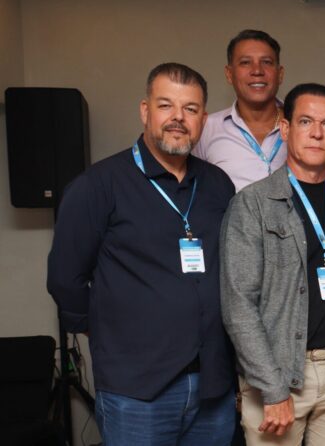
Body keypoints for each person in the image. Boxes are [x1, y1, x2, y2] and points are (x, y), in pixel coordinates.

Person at [47, 63, 236, 444]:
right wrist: (110, 332)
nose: (178, 118)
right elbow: (66, 278)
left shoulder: (218, 185)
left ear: (203, 119)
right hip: (137, 389)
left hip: (213, 383)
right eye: (166, 105)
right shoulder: (98, 186)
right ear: (145, 111)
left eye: (191, 108)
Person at [219, 83, 325, 445]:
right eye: (306, 122)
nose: (317, 133)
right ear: (286, 128)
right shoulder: (252, 204)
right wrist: (272, 388)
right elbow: (238, 305)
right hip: (278, 374)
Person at [195, 29, 286, 191]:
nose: (257, 71)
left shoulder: (306, 126)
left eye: (266, 62)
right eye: (245, 62)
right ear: (229, 74)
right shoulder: (206, 129)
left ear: (280, 74)